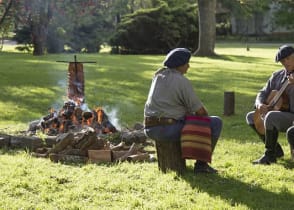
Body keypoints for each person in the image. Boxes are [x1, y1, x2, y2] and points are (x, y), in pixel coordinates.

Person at [143, 48, 222, 174]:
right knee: (215, 122)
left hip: (149, 129)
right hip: (167, 130)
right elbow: (201, 112)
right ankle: (202, 165)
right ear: (180, 65)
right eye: (187, 63)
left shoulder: (158, 76)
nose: (188, 66)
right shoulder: (181, 81)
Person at [246, 44, 294, 165]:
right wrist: (259, 104)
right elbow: (262, 93)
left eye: (288, 58)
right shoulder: (276, 75)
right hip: (279, 114)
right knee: (251, 116)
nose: (285, 62)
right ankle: (276, 150)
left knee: (270, 116)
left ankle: (269, 155)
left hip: (291, 116)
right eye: (283, 61)